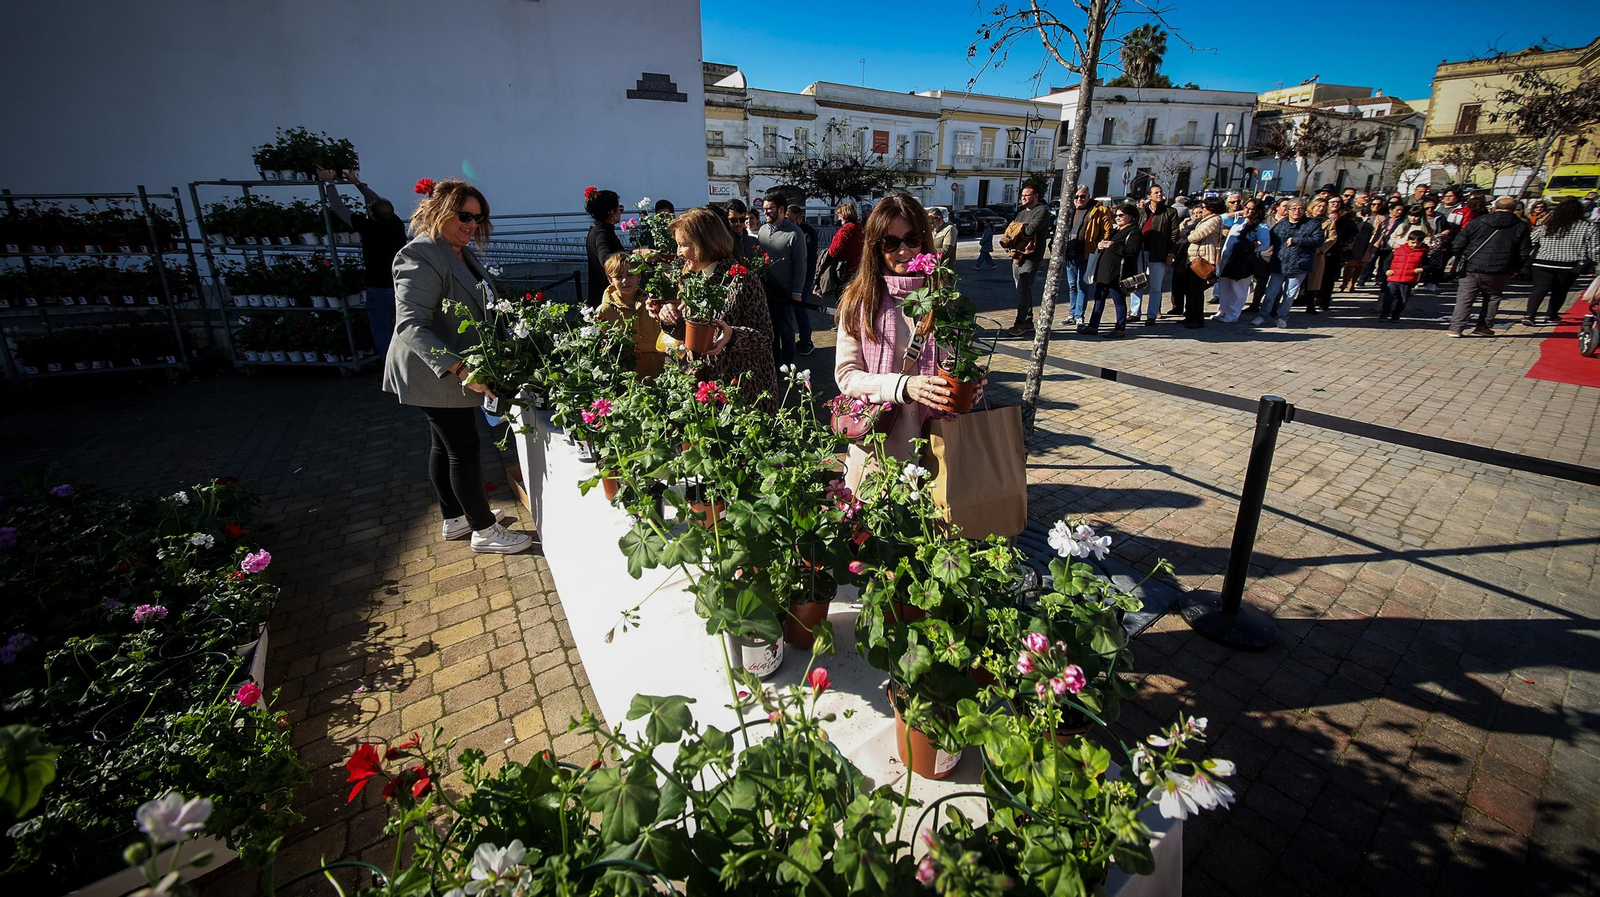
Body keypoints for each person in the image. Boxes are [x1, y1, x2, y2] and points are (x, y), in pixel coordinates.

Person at [384, 178, 531, 555]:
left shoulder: (458, 249)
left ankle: (455, 518)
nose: (472, 225)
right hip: (436, 369)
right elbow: (410, 324)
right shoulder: (419, 254)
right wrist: (463, 370)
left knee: (444, 444)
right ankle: (484, 530)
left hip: (454, 366)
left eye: (478, 219)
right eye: (464, 215)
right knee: (462, 448)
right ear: (440, 211)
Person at [834, 193, 983, 492]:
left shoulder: (945, 300)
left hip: (938, 445)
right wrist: (904, 386)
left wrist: (970, 386)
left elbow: (953, 366)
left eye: (911, 239)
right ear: (876, 248)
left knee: (933, 531)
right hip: (879, 445)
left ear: (925, 240)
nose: (903, 250)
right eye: (890, 242)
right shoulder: (861, 301)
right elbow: (846, 375)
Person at [651, 207, 777, 406]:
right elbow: (691, 331)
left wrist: (731, 335)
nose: (678, 253)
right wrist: (669, 317)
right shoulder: (691, 278)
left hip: (741, 387)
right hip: (704, 384)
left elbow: (765, 336)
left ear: (704, 243)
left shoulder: (741, 279)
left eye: (682, 245)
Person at [313, 168, 409, 358]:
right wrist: (356, 182)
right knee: (404, 328)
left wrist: (330, 183)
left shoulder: (368, 227)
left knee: (381, 330)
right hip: (400, 286)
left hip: (378, 288)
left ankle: (389, 365)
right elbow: (377, 202)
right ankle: (409, 362)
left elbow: (339, 208)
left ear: (372, 215)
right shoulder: (396, 224)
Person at [1448, 197, 1532, 337]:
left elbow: (1459, 242)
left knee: (1465, 297)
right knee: (1493, 297)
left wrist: (1461, 256)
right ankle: (1483, 326)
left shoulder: (1479, 221)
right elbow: (1524, 251)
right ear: (1514, 209)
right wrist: (1516, 268)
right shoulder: (1520, 226)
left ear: (1494, 207)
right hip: (1500, 268)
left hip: (1472, 265)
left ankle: (1456, 328)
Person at [1523, 198, 1599, 324]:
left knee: (1539, 289)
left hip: (1543, 261)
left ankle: (1529, 315)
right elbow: (1594, 248)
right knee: (1560, 290)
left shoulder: (1548, 225)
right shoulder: (1587, 227)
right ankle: (1551, 315)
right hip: (1570, 264)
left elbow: (1531, 240)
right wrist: (1594, 263)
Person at [1257, 199, 1324, 328]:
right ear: (1287, 211)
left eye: (1300, 209)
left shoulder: (1313, 224)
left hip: (1299, 264)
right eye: (1293, 209)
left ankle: (1282, 317)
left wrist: (1297, 240)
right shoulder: (1281, 225)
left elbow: (1318, 240)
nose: (1297, 211)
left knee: (1289, 294)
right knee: (1271, 292)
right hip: (1279, 263)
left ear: (1304, 210)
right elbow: (1270, 239)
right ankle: (1263, 315)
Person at [1078, 203, 1142, 339]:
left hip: (1117, 273)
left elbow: (1132, 251)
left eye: (1121, 215)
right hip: (1104, 271)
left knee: (1118, 300)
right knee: (1098, 298)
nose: (1118, 218)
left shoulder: (1133, 231)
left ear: (1130, 216)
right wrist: (1100, 245)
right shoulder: (1115, 231)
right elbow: (1106, 244)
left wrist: (1112, 245)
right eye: (1116, 215)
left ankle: (1120, 328)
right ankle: (1093, 326)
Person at [758, 189, 807, 364]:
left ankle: (786, 365)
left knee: (786, 330)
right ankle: (773, 362)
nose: (765, 212)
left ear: (781, 210)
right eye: (764, 209)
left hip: (785, 293)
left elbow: (801, 265)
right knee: (770, 329)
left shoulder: (795, 233)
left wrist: (797, 292)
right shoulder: (762, 230)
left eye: (769, 209)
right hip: (766, 291)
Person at [598, 251, 665, 377]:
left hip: (655, 373)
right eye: (618, 277)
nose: (625, 280)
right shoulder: (604, 310)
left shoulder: (652, 304)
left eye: (630, 275)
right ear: (610, 280)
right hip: (622, 377)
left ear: (639, 276)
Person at [1001, 184, 1052, 335]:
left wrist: (1017, 230)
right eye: (1022, 195)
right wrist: (1016, 233)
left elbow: (1030, 231)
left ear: (1035, 196)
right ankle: (1028, 319)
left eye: (1027, 195)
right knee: (1022, 289)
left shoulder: (1042, 212)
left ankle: (1020, 323)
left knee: (1023, 288)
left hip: (1032, 257)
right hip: (1017, 255)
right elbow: (1011, 231)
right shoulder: (1021, 213)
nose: (1023, 198)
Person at [1056, 187, 1110, 326]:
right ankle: (1072, 314)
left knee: (1082, 285)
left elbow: (1106, 231)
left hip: (1086, 254)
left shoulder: (1097, 210)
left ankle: (1080, 316)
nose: (1079, 199)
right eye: (1076, 197)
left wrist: (1098, 246)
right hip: (1070, 255)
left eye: (1082, 196)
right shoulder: (1069, 211)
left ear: (1088, 196)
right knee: (1072, 285)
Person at [1216, 199, 1271, 323]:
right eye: (1247, 207)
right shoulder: (1238, 221)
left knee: (1238, 288)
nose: (1248, 211)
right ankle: (1223, 310)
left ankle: (1233, 314)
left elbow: (1265, 244)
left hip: (1243, 262)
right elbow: (1220, 218)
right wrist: (1239, 213)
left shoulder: (1261, 226)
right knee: (1224, 286)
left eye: (1252, 209)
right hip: (1227, 258)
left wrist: (1254, 246)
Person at [1132, 184, 1180, 322]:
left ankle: (1152, 315)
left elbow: (1174, 234)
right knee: (1137, 283)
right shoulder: (1142, 212)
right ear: (1149, 196)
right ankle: (1135, 312)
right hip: (1141, 251)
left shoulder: (1170, 212)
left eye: (1160, 192)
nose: (1159, 194)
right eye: (1156, 192)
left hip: (1158, 253)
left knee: (1156, 286)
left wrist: (1171, 253)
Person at [788, 203, 819, 356]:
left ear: (799, 218)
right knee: (796, 310)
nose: (788, 223)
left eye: (791, 220)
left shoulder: (808, 232)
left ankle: (807, 341)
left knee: (801, 309)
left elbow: (807, 257)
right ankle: (802, 340)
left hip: (806, 277)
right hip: (794, 276)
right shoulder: (791, 230)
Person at [584, 188, 624, 307]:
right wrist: (635, 254)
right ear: (612, 212)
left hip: (601, 298)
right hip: (607, 300)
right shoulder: (602, 234)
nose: (621, 212)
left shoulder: (597, 231)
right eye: (620, 208)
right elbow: (606, 258)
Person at [1382, 228, 1428, 321]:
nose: (1414, 245)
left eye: (1417, 243)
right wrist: (1387, 270)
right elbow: (1387, 261)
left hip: (1408, 279)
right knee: (1388, 297)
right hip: (1394, 277)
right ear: (1408, 240)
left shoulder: (1422, 253)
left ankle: (1396, 314)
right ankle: (1384, 313)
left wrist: (1421, 269)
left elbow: (1428, 264)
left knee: (1403, 299)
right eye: (1412, 242)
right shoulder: (1398, 250)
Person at [827, 202, 865, 278]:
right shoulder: (859, 227)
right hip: (857, 266)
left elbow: (834, 251)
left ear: (845, 214)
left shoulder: (846, 229)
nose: (839, 218)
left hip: (845, 268)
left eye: (840, 215)